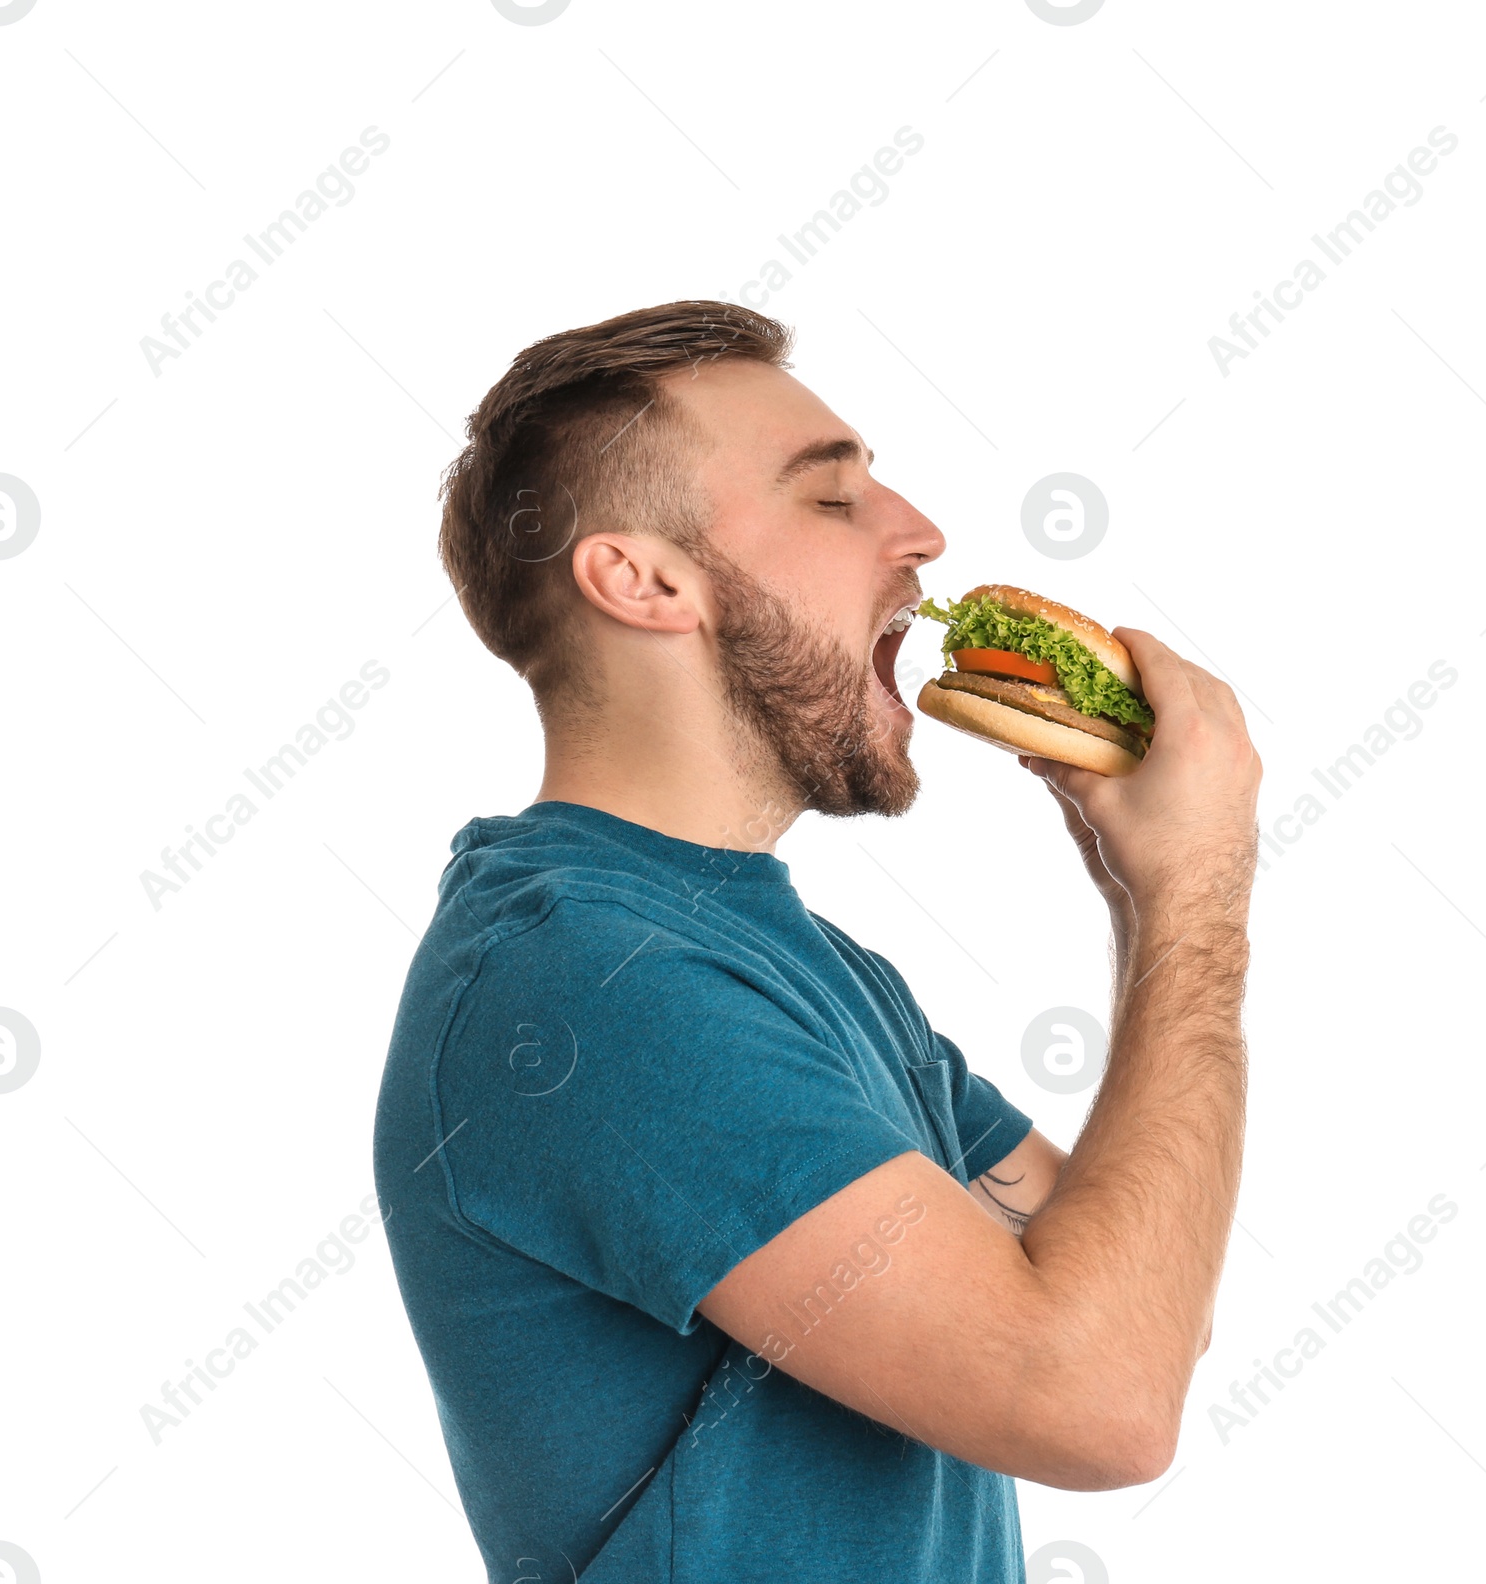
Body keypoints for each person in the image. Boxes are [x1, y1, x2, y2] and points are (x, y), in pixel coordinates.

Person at [372, 300, 1262, 1583]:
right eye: (833, 501)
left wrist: (1143, 893)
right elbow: (1101, 1401)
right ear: (645, 578)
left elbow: (1141, 1305)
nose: (920, 534)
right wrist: (1196, 899)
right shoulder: (590, 986)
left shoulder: (801, 966)